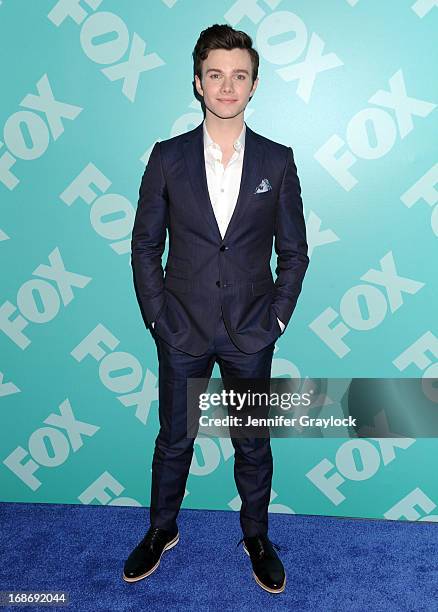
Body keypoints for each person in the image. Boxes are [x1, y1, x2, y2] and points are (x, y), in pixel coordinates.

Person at [123, 23, 309, 594]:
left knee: (252, 442)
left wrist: (275, 319)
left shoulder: (277, 162)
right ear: (198, 84)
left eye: (239, 76)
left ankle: (256, 536)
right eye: (216, 75)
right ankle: (161, 530)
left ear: (253, 86)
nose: (227, 86)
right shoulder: (167, 157)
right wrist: (158, 318)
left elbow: (295, 253)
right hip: (181, 330)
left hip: (252, 333)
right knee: (173, 439)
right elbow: (145, 245)